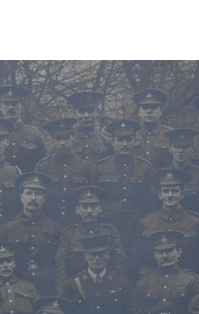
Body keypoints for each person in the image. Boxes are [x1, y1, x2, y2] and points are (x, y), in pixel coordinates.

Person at [131, 168, 199, 290]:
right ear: (159, 195)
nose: (170, 195)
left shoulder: (195, 222)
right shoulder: (146, 223)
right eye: (166, 191)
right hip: (153, 284)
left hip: (185, 284)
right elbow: (137, 259)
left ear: (182, 194)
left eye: (175, 191)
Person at [90, 119, 154, 254]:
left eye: (128, 139)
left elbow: (151, 202)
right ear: (112, 142)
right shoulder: (100, 167)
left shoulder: (145, 167)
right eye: (120, 140)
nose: (124, 144)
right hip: (108, 223)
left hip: (137, 224)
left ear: (135, 141)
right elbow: (94, 200)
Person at [0, 172, 62, 296]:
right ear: (21, 197)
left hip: (46, 285)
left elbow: (60, 264)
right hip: (18, 284)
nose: (33, 198)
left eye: (38, 194)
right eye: (28, 193)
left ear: (44, 199)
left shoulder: (55, 228)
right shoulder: (7, 228)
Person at [55, 186, 128, 294]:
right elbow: (61, 270)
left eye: (93, 206)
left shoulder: (110, 232)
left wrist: (118, 292)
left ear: (100, 209)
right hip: (77, 291)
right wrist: (62, 296)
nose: (89, 211)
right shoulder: (69, 233)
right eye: (85, 207)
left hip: (107, 290)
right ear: (77, 210)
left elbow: (120, 266)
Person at [35, 117, 92, 224]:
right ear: (52, 139)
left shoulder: (85, 165)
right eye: (58, 138)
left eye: (66, 138)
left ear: (74, 137)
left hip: (77, 221)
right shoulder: (43, 166)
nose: (62, 142)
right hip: (50, 219)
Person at [0, 85, 47, 172]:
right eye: (6, 104)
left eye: (14, 103)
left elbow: (44, 167)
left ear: (21, 105)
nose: (11, 107)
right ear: (0, 106)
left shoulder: (34, 135)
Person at [166, 129, 199, 222]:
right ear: (170, 149)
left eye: (185, 147)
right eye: (176, 147)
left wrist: (191, 223)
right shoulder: (162, 175)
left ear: (191, 148)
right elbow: (155, 206)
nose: (180, 151)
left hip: (194, 227)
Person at [67, 91, 112, 163]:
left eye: (91, 111)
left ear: (97, 112)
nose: (86, 116)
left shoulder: (106, 141)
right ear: (74, 113)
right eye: (81, 112)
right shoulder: (65, 140)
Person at [132, 89, 172, 170]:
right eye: (144, 108)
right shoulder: (130, 135)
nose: (149, 111)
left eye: (153, 107)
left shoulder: (170, 135)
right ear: (139, 112)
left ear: (160, 111)